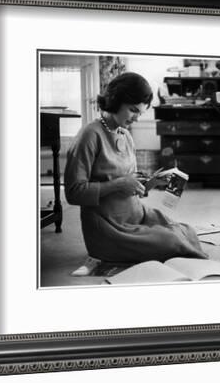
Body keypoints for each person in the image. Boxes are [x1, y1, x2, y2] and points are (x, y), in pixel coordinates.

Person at [64, 72, 207, 263]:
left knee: (187, 231)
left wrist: (154, 181)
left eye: (140, 112)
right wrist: (118, 184)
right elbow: (73, 193)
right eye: (133, 110)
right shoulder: (90, 135)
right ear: (115, 100)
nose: (137, 118)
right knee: (172, 240)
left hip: (137, 215)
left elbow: (133, 187)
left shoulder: (125, 135)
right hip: (110, 228)